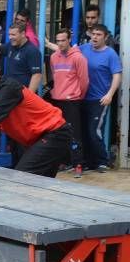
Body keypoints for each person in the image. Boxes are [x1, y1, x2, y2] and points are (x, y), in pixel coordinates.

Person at [80, 24, 122, 174]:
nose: (95, 37)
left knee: (94, 131)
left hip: (99, 99)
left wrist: (109, 94)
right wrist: (48, 44)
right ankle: (88, 162)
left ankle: (102, 161)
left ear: (105, 37)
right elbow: (66, 52)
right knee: (83, 131)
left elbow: (117, 75)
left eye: (98, 35)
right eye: (93, 34)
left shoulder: (110, 54)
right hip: (82, 97)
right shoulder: (84, 48)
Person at [49, 28, 89, 172]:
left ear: (69, 40)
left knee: (74, 133)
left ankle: (78, 163)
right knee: (60, 133)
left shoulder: (79, 58)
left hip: (72, 101)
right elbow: (55, 77)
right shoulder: (53, 57)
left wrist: (77, 96)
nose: (60, 44)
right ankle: (63, 161)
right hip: (57, 99)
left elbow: (84, 81)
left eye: (63, 40)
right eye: (58, 41)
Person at [0, 22, 42, 91]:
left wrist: (29, 96)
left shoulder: (32, 51)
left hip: (21, 94)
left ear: (23, 34)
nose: (10, 37)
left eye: (13, 35)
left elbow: (37, 75)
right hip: (9, 91)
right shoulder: (11, 45)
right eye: (9, 34)